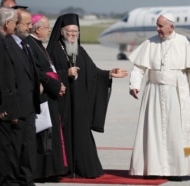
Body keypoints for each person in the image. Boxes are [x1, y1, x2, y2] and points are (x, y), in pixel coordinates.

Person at [46, 13, 128, 178]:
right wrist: (64, 73)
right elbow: (46, 75)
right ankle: (65, 169)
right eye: (69, 32)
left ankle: (84, 168)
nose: (72, 35)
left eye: (76, 32)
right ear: (61, 32)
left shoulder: (79, 49)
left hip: (80, 103)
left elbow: (93, 72)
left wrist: (109, 74)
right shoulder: (53, 51)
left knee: (82, 135)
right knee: (65, 136)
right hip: (63, 102)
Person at [128, 13, 190, 179]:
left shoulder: (184, 42)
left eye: (161, 26)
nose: (158, 29)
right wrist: (134, 84)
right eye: (157, 25)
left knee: (176, 133)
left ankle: (176, 170)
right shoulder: (150, 42)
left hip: (177, 94)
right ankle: (153, 169)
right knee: (153, 132)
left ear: (172, 26)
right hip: (153, 93)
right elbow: (138, 69)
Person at [25, 14, 68, 179]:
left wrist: (59, 84)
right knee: (43, 133)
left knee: (52, 133)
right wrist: (56, 85)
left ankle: (52, 170)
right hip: (44, 94)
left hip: (52, 93)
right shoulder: (30, 44)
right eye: (47, 27)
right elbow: (39, 72)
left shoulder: (39, 45)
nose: (49, 30)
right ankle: (43, 172)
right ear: (38, 29)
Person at [4, 8, 41, 186]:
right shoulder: (6, 45)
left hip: (29, 107)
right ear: (16, 25)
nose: (30, 27)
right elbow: (7, 79)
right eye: (27, 24)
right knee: (15, 149)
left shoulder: (26, 44)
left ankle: (27, 180)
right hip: (16, 108)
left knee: (28, 148)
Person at [0, 7, 22, 186]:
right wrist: (2, 107)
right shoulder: (0, 42)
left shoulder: (3, 39)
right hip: (2, 107)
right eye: (14, 22)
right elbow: (1, 77)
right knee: (3, 148)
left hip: (6, 103)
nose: (16, 26)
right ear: (7, 23)